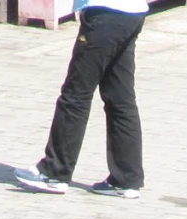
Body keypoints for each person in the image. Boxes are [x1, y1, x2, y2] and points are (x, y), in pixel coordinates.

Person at [14, 0, 147, 200]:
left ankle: (54, 173)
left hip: (106, 13)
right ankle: (126, 179)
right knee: (120, 99)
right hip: (131, 12)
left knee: (75, 96)